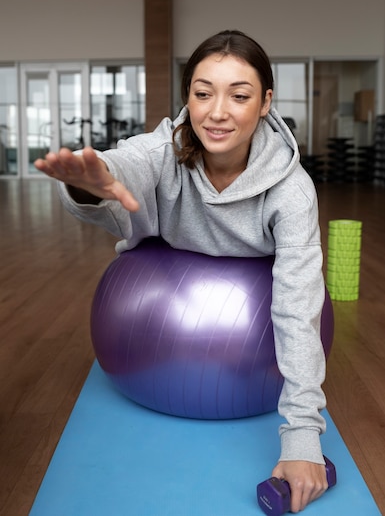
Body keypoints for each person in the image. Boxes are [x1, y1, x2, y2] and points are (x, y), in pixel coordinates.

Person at [35, 29, 328, 513]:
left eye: (239, 95)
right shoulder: (165, 149)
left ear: (265, 102)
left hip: (252, 326)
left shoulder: (290, 191)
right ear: (187, 96)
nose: (217, 111)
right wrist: (97, 181)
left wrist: (302, 439)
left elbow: (298, 309)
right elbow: (126, 162)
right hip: (159, 296)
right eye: (202, 92)